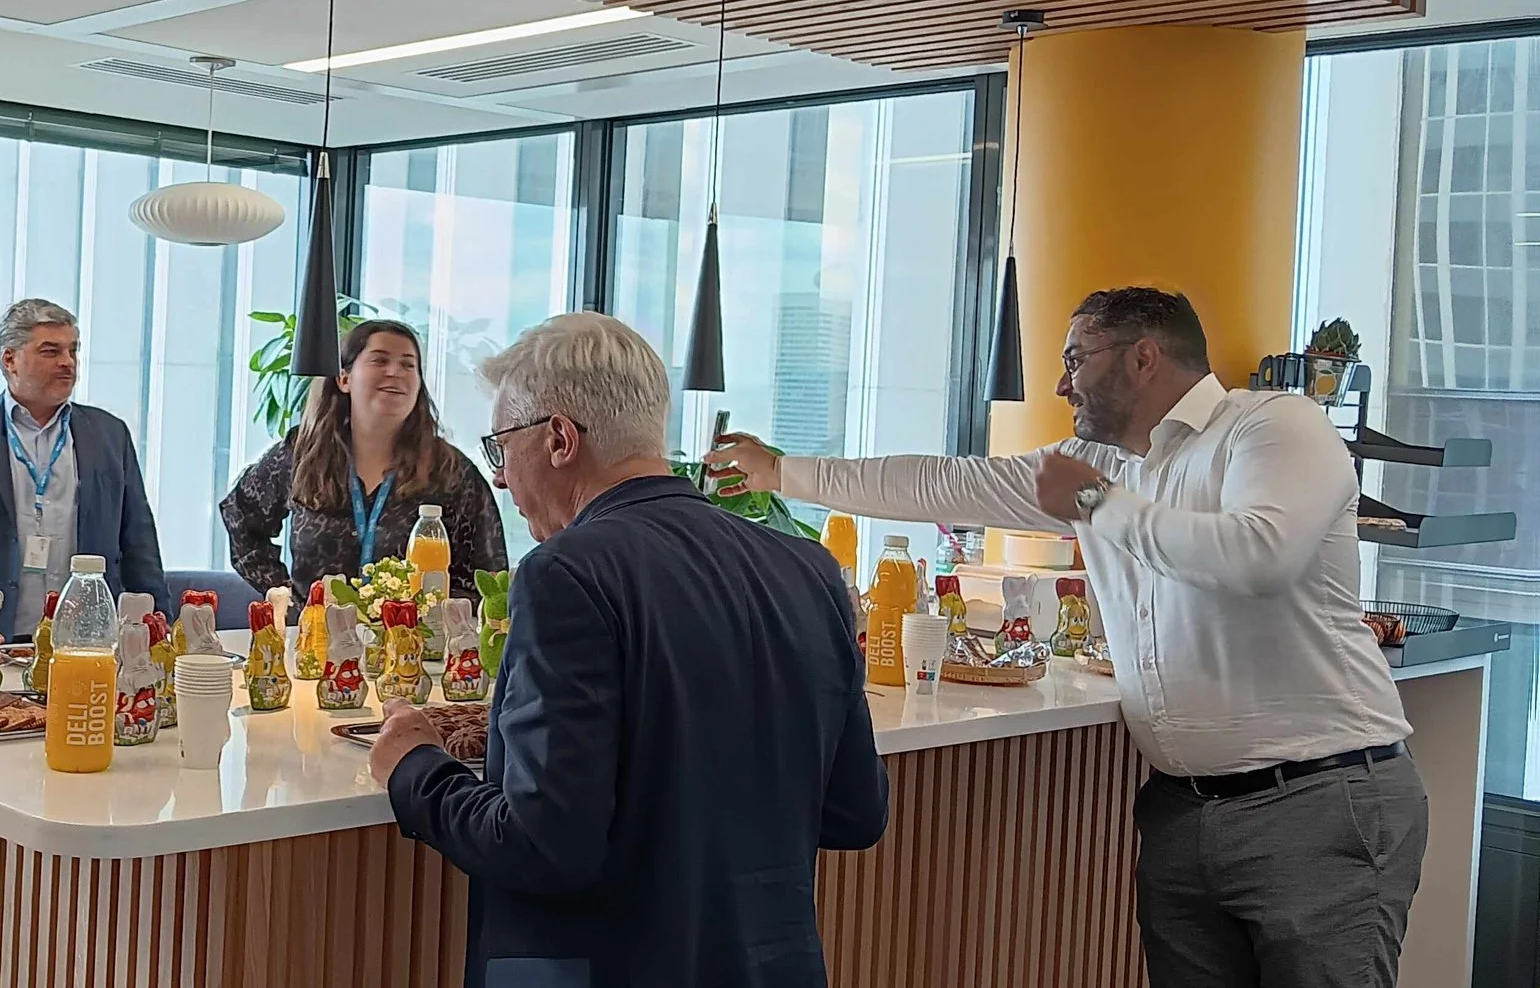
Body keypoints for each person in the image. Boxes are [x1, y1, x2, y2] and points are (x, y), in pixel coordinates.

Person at [713, 286, 1426, 988]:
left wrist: (1091, 502)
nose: (1062, 384)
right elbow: (945, 483)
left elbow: (1258, 557)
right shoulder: (1105, 466)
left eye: (1076, 359)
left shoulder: (1274, 426)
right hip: (1181, 811)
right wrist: (782, 472)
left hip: (1317, 802)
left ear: (1144, 357)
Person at [368, 311, 887, 988]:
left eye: (502, 449)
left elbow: (542, 844)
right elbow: (855, 811)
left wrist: (415, 769)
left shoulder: (566, 574)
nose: (500, 479)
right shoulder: (807, 568)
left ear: (559, 438)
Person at [220, 318, 507, 594]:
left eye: (408, 364)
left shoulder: (450, 470)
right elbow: (240, 517)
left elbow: (489, 577)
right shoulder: (301, 454)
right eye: (380, 360)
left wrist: (435, 614)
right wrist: (285, 596)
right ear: (344, 379)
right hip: (315, 627)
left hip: (413, 628)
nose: (395, 371)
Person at [0, 298, 166, 639]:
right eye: (51, 351)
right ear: (10, 360)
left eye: (73, 350)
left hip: (87, 638)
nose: (67, 362)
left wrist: (158, 625)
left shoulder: (108, 433)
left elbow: (138, 540)